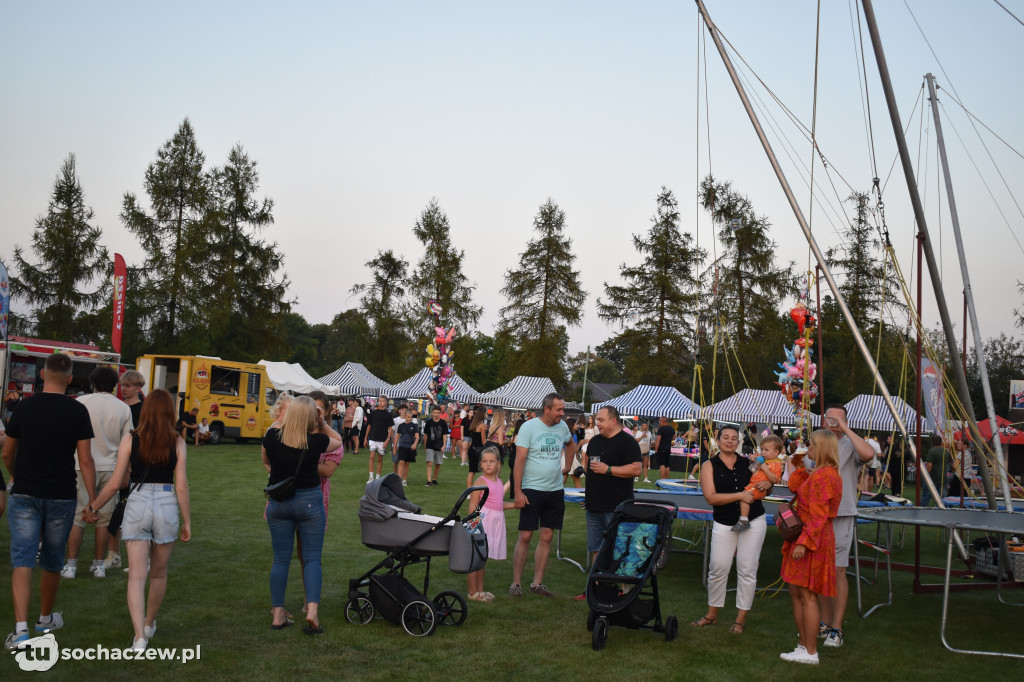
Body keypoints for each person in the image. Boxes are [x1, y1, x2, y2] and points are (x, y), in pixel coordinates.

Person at [3, 354, 96, 650]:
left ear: (42, 374)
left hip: (25, 493)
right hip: (61, 494)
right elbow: (85, 459)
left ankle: (20, 630)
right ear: (69, 379)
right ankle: (44, 618)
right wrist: (92, 499)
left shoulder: (24, 407)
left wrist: (17, 475)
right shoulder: (78, 411)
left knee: (23, 558)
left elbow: (7, 453)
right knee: (53, 561)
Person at [90, 389, 191, 651]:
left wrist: (93, 506)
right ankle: (148, 623)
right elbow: (181, 486)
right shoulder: (177, 442)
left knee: (136, 576)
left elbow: (114, 484)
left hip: (137, 504)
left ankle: (139, 637)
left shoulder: (130, 440)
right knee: (158, 574)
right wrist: (187, 521)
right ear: (170, 412)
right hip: (167, 503)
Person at [262, 396, 341, 635]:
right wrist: (322, 420)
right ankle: (312, 611)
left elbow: (266, 460)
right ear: (310, 417)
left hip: (279, 503)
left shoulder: (273, 437)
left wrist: (284, 421)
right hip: (309, 502)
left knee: (281, 559)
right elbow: (337, 441)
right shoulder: (316, 441)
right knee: (312, 559)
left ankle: (277, 614)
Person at [692, 424, 771, 635]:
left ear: (738, 442)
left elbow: (766, 483)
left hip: (753, 521)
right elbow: (711, 497)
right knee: (718, 567)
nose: (729, 441)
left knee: (747, 569)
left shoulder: (749, 463)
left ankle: (740, 618)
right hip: (725, 522)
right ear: (718, 440)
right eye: (725, 437)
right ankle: (712, 614)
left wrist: (766, 486)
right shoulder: (709, 465)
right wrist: (739, 496)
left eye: (733, 438)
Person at [62, 367, 133, 580]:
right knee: (104, 519)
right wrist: (127, 471)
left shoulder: (80, 403)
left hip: (80, 466)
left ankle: (71, 565)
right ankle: (99, 565)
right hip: (111, 469)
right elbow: (127, 443)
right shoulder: (123, 408)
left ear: (92, 382)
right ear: (115, 385)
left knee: (77, 517)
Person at [780, 429, 843, 665]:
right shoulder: (820, 473)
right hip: (810, 536)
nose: (809, 448)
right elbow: (796, 488)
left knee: (807, 594)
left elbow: (819, 516)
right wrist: (797, 464)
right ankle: (804, 646)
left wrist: (804, 543)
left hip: (812, 538)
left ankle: (809, 651)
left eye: (812, 444)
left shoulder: (824, 476)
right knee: (797, 592)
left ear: (822, 448)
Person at [818, 403, 876, 648]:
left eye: (838, 420)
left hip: (841, 514)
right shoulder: (817, 441)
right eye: (829, 419)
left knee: (838, 571)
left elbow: (869, 455)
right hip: (818, 516)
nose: (833, 423)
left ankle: (837, 628)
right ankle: (823, 622)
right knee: (821, 571)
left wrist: (845, 429)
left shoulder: (850, 445)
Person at [509, 393, 574, 598]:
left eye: (563, 410)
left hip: (554, 490)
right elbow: (519, 461)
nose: (562, 414)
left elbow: (571, 445)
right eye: (559, 410)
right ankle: (516, 583)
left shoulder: (562, 427)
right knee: (526, 536)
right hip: (531, 489)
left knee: (547, 535)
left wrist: (569, 466)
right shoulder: (529, 427)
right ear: (547, 409)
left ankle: (537, 583)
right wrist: (518, 491)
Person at [578, 406, 642, 596]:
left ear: (613, 421)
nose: (596, 423)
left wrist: (608, 469)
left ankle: (623, 590)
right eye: (596, 420)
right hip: (594, 505)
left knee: (620, 549)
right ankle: (597, 589)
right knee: (597, 548)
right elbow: (590, 466)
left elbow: (636, 469)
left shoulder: (627, 442)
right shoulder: (595, 441)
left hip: (617, 507)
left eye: (600, 420)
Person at [466, 446, 514, 602]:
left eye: (491, 461)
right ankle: (472, 592)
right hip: (482, 522)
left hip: (495, 522)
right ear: (480, 464)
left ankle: (480, 591)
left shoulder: (499, 482)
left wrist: (515, 505)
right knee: (475, 558)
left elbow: (498, 504)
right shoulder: (480, 481)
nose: (488, 464)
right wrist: (472, 527)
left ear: (498, 464)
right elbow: (473, 506)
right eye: (485, 461)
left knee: (482, 557)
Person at [734, 434, 784, 532]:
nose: (763, 452)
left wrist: (765, 469)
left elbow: (776, 479)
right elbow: (751, 461)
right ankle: (744, 519)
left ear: (776, 452)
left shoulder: (776, 464)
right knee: (744, 497)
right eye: (762, 449)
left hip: (758, 487)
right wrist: (752, 458)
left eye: (766, 450)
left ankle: (744, 520)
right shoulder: (762, 459)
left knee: (744, 497)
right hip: (753, 485)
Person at [363, 397, 394, 483]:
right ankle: (371, 477)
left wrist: (388, 440)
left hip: (382, 439)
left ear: (386, 403)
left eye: (383, 401)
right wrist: (365, 438)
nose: (381, 402)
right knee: (372, 456)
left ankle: (377, 478)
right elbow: (369, 426)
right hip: (373, 437)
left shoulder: (388, 415)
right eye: (379, 401)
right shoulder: (373, 413)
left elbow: (390, 429)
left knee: (380, 459)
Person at [422, 406, 449, 486]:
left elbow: (444, 435)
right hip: (430, 445)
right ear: (432, 413)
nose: (436, 414)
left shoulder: (443, 423)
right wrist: (425, 446)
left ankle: (434, 479)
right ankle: (429, 480)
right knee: (429, 462)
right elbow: (426, 435)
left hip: (439, 445)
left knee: (438, 463)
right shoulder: (429, 422)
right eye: (435, 413)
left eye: (438, 413)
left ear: (440, 413)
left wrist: (444, 445)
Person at [922, 434, 949, 507]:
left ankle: (921, 508)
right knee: (942, 497)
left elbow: (929, 465)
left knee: (926, 495)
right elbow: (948, 462)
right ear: (940, 442)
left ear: (932, 443)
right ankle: (943, 509)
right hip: (943, 477)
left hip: (932, 477)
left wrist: (925, 475)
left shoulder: (932, 451)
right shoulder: (946, 451)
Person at [395, 410, 420, 487]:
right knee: (401, 462)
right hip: (402, 446)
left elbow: (417, 437)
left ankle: (404, 480)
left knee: (407, 463)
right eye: (408, 417)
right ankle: (399, 479)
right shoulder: (401, 426)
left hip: (410, 446)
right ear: (405, 417)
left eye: (411, 417)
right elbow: (397, 437)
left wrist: (415, 444)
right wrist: (394, 446)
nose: (409, 419)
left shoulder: (414, 426)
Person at [468, 408, 488, 488]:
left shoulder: (474, 424)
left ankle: (468, 491)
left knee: (471, 472)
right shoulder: (482, 425)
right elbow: (483, 441)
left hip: (472, 449)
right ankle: (483, 489)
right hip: (479, 450)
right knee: (485, 471)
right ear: (482, 414)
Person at [653, 416, 675, 481]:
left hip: (661, 448)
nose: (659, 422)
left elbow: (658, 440)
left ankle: (662, 479)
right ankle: (667, 479)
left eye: (659, 421)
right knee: (667, 465)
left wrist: (656, 450)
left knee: (662, 464)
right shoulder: (671, 428)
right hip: (668, 448)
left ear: (662, 422)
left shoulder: (661, 429)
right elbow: (674, 437)